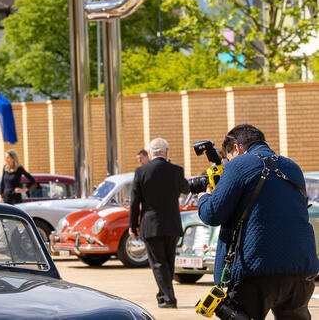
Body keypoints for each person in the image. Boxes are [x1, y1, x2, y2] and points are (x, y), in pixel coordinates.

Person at [198, 124, 318, 319]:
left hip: (255, 269)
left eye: (228, 158)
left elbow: (212, 214)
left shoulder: (239, 164)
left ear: (236, 148)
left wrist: (204, 197)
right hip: (300, 271)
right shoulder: (293, 167)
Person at [129, 138, 188, 309]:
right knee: (168, 261)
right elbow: (185, 189)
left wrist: (133, 225)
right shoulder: (176, 170)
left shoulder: (141, 172)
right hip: (172, 224)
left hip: (151, 224)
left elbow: (135, 202)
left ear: (150, 153)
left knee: (158, 263)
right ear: (166, 151)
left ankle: (169, 297)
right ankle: (163, 295)